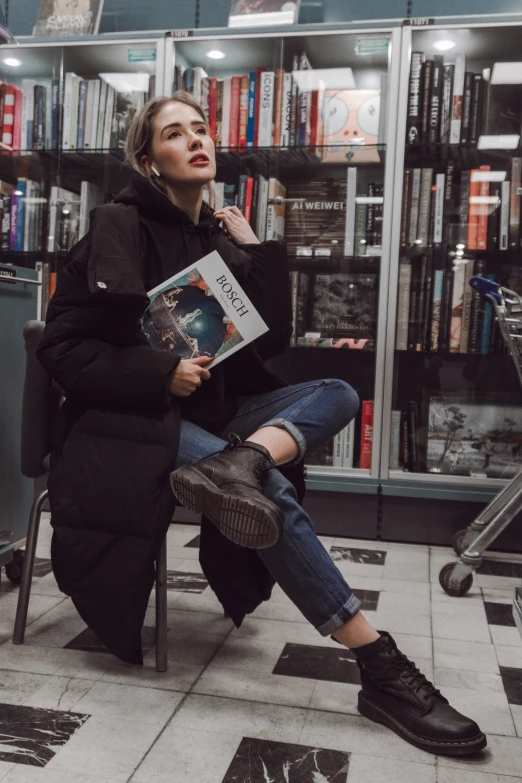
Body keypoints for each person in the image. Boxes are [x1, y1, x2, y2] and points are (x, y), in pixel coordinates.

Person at [37, 91, 486, 758]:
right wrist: (159, 374)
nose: (197, 140)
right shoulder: (116, 225)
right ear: (148, 159)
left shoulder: (212, 237)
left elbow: (268, 340)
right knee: (265, 494)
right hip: (135, 419)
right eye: (174, 133)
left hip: (215, 417)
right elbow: (65, 350)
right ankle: (378, 665)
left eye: (201, 128)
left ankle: (240, 461)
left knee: (336, 389)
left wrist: (254, 248)